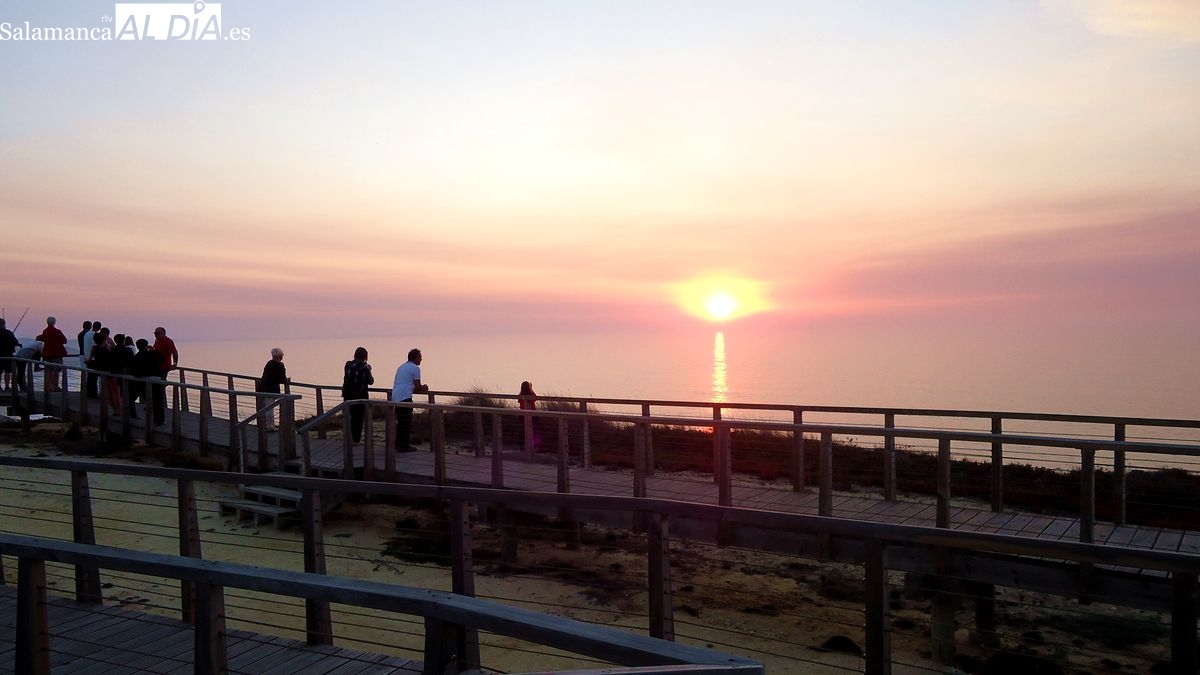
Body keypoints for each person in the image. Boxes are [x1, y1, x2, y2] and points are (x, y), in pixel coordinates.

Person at [391, 348, 428, 451]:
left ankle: (398, 444)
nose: (421, 359)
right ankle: (404, 445)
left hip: (396, 396)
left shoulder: (401, 367)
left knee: (401, 421)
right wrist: (424, 387)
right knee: (406, 422)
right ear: (415, 357)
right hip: (405, 396)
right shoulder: (415, 368)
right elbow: (417, 386)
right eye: (420, 357)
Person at [341, 347, 375, 444]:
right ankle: (356, 440)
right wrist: (369, 369)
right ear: (365, 356)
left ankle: (348, 438)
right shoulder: (365, 368)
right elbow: (371, 381)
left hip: (347, 395)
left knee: (349, 417)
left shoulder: (348, 365)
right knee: (358, 419)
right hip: (360, 396)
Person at [130, 338, 166, 425]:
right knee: (158, 401)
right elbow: (162, 360)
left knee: (148, 400)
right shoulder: (152, 354)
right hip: (156, 379)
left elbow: (134, 370)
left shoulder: (137, 356)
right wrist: (153, 350)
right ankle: (159, 420)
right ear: (146, 345)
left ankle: (151, 419)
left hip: (143, 380)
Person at [256, 347, 287, 430]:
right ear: (279, 356)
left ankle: (266, 425)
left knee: (266, 407)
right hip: (270, 389)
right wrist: (287, 380)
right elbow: (282, 379)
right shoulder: (280, 365)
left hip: (262, 387)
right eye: (282, 355)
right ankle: (269, 426)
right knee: (270, 408)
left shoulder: (269, 363)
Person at [36, 316, 69, 392]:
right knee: (56, 371)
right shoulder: (57, 331)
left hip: (47, 354)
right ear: (54, 322)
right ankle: (55, 386)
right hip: (57, 354)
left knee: (49, 371)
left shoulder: (45, 331)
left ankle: (48, 386)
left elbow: (42, 339)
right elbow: (65, 341)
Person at [0, 319, 20, 391]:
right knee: (7, 371)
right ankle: (7, 386)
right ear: (4, 324)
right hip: (7, 355)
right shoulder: (8, 333)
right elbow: (15, 342)